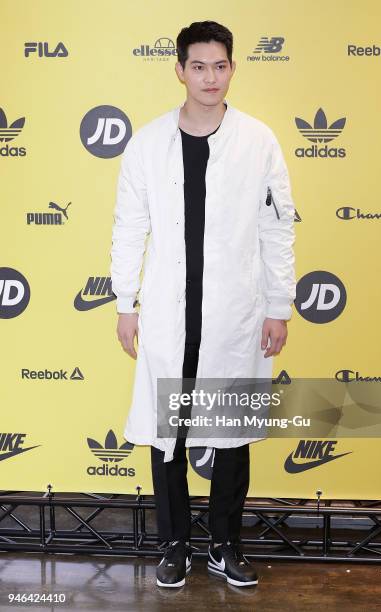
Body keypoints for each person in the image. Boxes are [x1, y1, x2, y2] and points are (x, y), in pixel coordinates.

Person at [110, 20, 296, 588]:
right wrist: (125, 300)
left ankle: (224, 546)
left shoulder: (258, 140)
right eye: (199, 66)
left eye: (220, 66)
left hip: (235, 313)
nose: (210, 77)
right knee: (171, 432)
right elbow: (130, 225)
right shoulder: (148, 143)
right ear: (180, 70)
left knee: (231, 431)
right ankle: (174, 547)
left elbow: (277, 227)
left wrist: (279, 305)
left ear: (232, 69)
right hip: (169, 315)